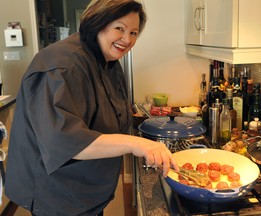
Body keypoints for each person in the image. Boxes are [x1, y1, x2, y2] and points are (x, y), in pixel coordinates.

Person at [5, 0, 178, 215]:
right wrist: (136, 144)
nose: (128, 39)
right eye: (119, 28)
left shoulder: (108, 59)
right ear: (98, 22)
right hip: (59, 194)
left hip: (86, 190)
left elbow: (109, 111)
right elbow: (66, 142)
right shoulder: (63, 66)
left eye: (134, 32)